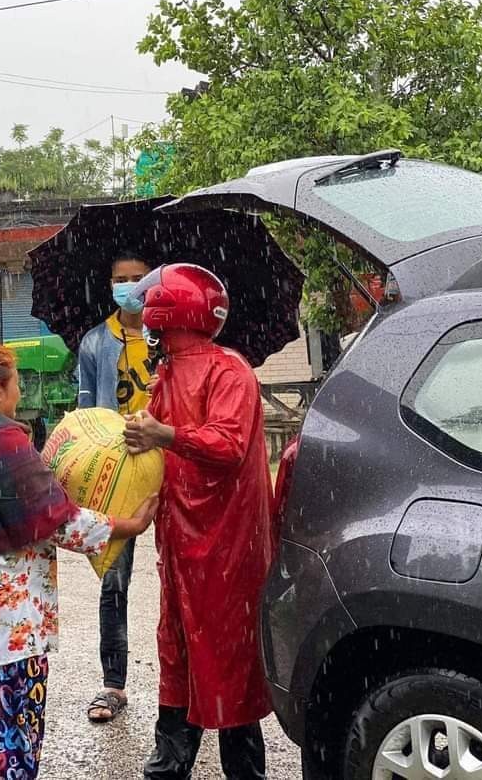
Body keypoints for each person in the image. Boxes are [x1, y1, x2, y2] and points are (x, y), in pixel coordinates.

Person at [0, 336, 158, 780]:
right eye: (15, 384)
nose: (20, 393)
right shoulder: (3, 443)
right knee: (9, 746)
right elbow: (59, 521)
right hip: (1, 626)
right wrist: (132, 525)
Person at [123, 263, 276, 780]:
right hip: (181, 538)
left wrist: (164, 435)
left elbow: (228, 445)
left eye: (151, 312)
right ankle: (170, 761)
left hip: (228, 543)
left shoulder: (228, 370)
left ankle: (243, 768)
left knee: (227, 653)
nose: (147, 323)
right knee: (180, 646)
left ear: (167, 312)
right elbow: (159, 446)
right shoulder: (166, 372)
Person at [76, 249, 155, 724]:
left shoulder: (170, 338)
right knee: (114, 581)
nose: (129, 287)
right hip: (118, 475)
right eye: (120, 279)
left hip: (171, 468)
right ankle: (113, 684)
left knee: (184, 579)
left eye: (138, 279)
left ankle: (189, 684)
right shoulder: (93, 344)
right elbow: (86, 415)